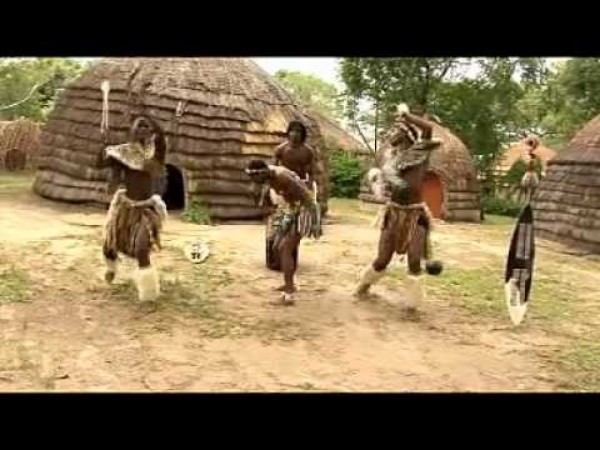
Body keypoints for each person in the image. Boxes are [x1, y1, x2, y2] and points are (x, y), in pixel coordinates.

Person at [353, 104, 443, 310]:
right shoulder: (390, 161)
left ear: (406, 135)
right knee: (382, 259)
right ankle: (364, 284)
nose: (392, 135)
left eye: (397, 131)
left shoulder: (420, 152)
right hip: (393, 213)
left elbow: (427, 129)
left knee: (414, 260)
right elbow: (381, 182)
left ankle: (412, 304)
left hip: (414, 215)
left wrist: (407, 115)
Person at [99, 115, 168, 312]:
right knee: (109, 245)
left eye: (146, 126)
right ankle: (111, 268)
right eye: (139, 126)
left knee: (141, 249)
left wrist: (152, 119)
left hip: (146, 208)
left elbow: (161, 137)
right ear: (132, 131)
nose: (143, 129)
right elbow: (102, 162)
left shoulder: (155, 155)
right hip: (125, 207)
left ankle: (148, 296)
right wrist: (102, 143)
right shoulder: (123, 153)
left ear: (151, 131)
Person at [246, 159, 321, 305]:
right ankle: (290, 284)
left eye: (253, 177)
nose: (253, 181)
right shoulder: (271, 174)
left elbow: (303, 198)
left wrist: (288, 217)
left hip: (305, 210)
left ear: (261, 173)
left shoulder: (281, 178)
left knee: (285, 249)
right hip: (294, 208)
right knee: (276, 246)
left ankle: (289, 295)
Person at [262, 120, 320, 270]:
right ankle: (274, 256)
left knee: (294, 223)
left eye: (298, 132)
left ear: (303, 135)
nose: (295, 135)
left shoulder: (308, 151)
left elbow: (312, 172)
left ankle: (289, 251)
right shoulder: (280, 149)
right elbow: (271, 170)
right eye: (292, 131)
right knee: (278, 221)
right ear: (288, 133)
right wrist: (268, 191)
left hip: (300, 187)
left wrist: (308, 185)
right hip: (282, 187)